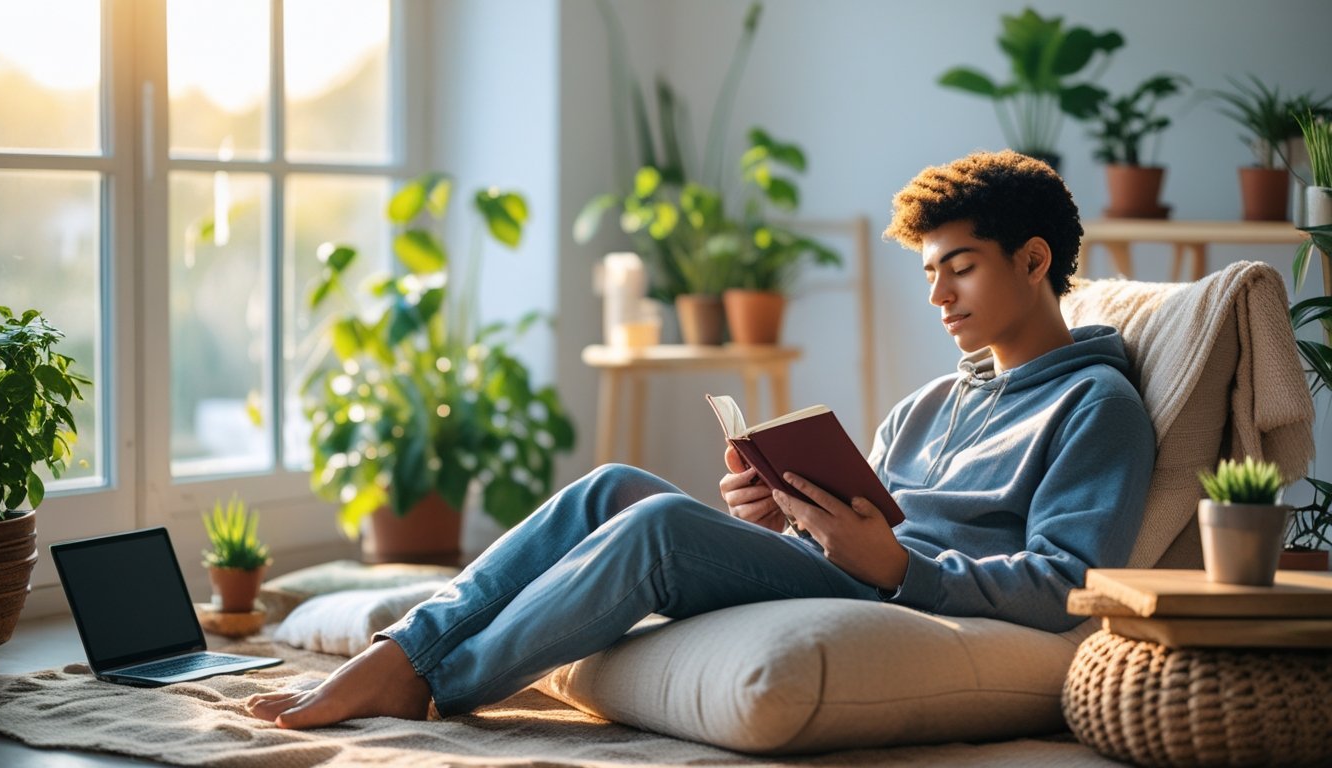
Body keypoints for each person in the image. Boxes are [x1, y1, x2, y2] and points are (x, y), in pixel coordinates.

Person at [246, 149, 1156, 729]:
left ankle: (441, 683)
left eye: (959, 268)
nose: (938, 296)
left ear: (1033, 261)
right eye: (928, 273)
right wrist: (783, 518)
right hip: (861, 571)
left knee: (659, 532)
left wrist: (896, 568)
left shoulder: (1095, 406)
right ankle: (406, 649)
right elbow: (855, 524)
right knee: (613, 489)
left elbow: (1070, 583)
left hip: (912, 600)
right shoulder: (927, 403)